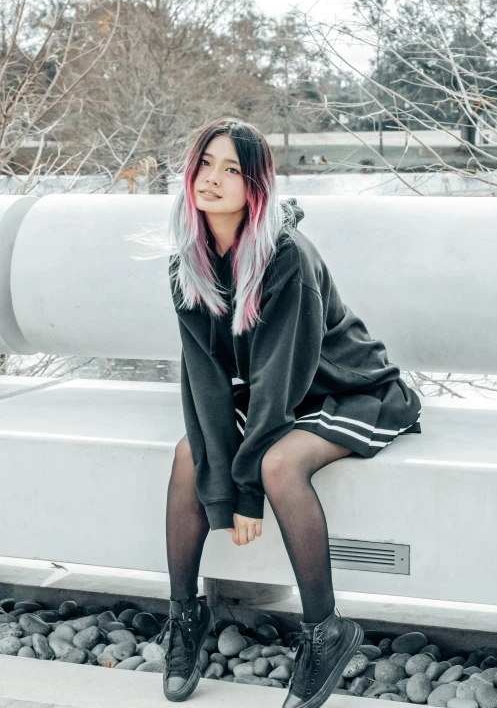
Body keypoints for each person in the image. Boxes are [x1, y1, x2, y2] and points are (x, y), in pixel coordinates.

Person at [160, 117, 422, 707]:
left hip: (346, 387)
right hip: (274, 393)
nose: (213, 178)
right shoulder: (187, 262)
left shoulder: (285, 257)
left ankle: (326, 630)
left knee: (279, 466)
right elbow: (202, 380)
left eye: (232, 168)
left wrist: (246, 491)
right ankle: (183, 616)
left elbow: (281, 376)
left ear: (256, 185)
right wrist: (219, 486)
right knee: (187, 452)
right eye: (205, 163)